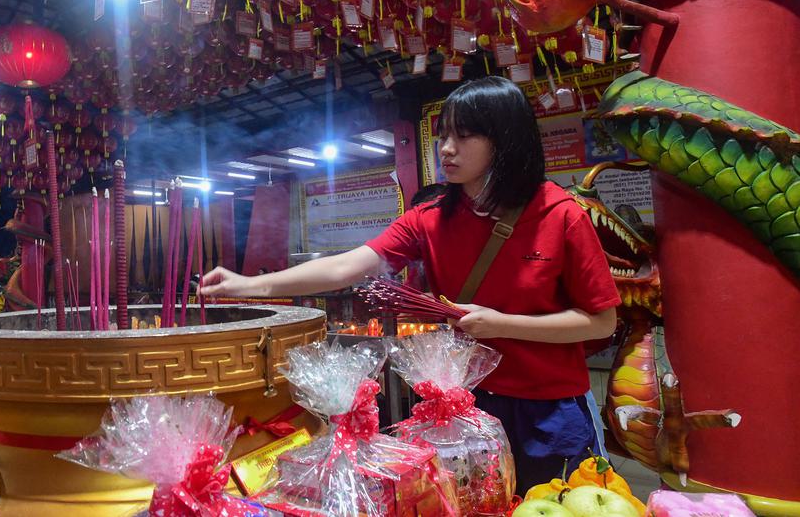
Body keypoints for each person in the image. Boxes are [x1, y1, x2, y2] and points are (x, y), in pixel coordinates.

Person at [200, 76, 620, 492]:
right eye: (443, 136)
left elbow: (600, 322)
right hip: (463, 406)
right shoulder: (431, 218)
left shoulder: (562, 215)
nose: (447, 149)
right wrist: (247, 284)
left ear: (506, 140)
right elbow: (348, 266)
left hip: (549, 412)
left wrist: (502, 324)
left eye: (465, 135)